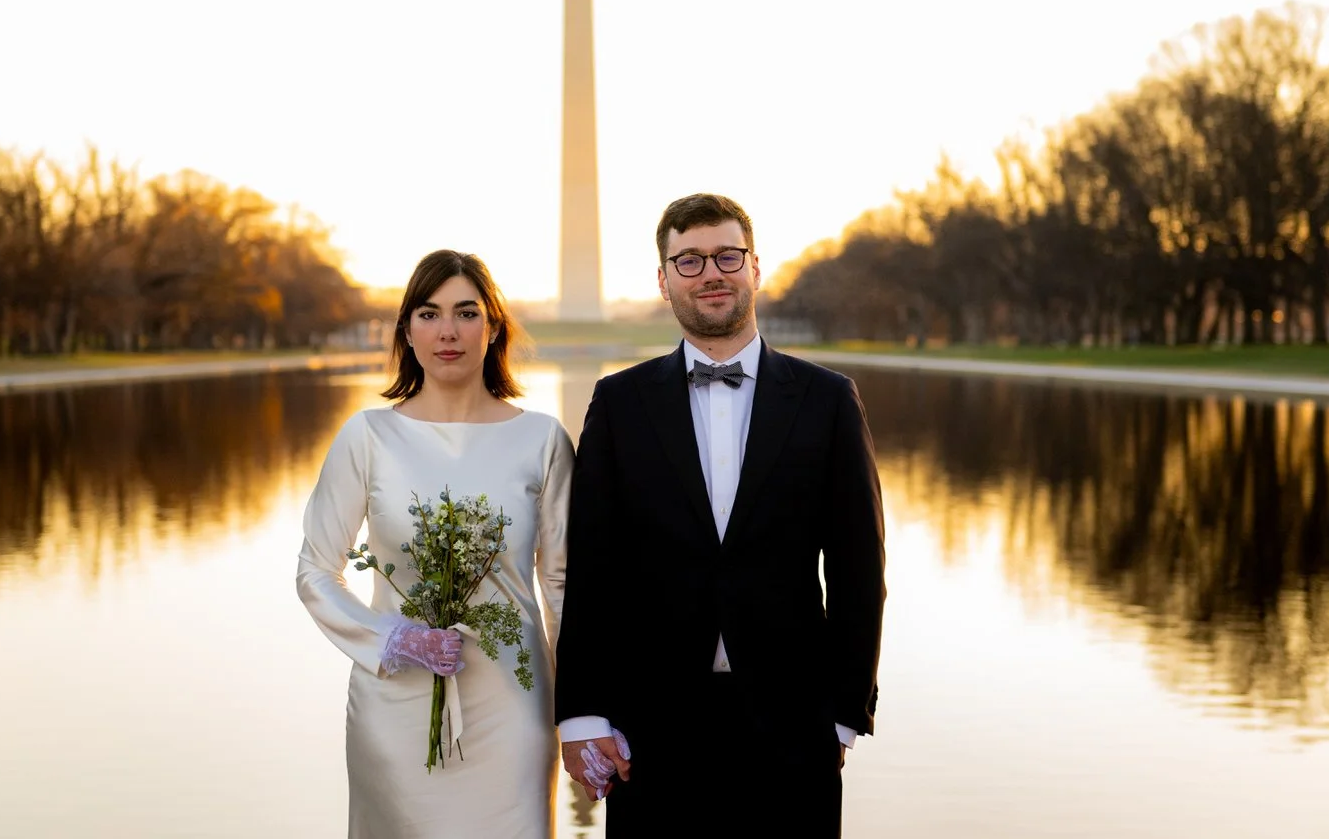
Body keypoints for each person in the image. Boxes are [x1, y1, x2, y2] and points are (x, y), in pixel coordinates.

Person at [554, 193, 887, 837]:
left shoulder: (828, 400)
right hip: (649, 727)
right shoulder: (619, 403)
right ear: (663, 280)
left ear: (754, 268)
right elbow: (593, 569)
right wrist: (583, 716)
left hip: (795, 724)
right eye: (689, 260)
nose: (710, 273)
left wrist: (845, 714)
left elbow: (859, 571)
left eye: (727, 256)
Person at [296, 249, 575, 839]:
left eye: (466, 313)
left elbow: (561, 585)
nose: (448, 331)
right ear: (407, 330)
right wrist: (392, 638)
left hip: (514, 705)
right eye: (429, 314)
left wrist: (582, 712)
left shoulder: (543, 439)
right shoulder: (367, 436)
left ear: (493, 327)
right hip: (394, 707)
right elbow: (316, 571)